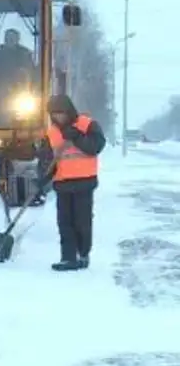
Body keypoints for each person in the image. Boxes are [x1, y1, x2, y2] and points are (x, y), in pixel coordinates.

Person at [37, 94, 106, 271]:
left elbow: (96, 146)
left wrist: (77, 137)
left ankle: (82, 254)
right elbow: (47, 158)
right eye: (54, 114)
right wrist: (42, 177)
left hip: (84, 182)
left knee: (82, 221)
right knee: (65, 222)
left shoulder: (87, 124)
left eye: (61, 113)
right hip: (63, 183)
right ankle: (68, 258)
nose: (58, 117)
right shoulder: (52, 133)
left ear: (69, 111)